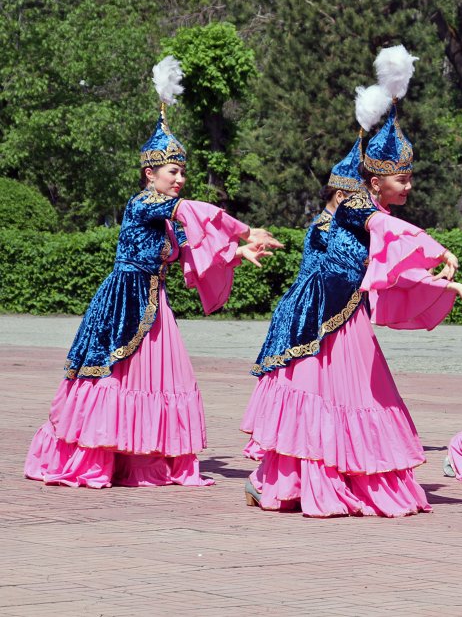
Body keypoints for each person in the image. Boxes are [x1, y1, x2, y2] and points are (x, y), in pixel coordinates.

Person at [241, 47, 462, 517]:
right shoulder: (356, 207)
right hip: (323, 318)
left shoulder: (369, 211)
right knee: (325, 399)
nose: (409, 187)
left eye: (410, 178)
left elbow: (392, 267)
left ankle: (327, 478)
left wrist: (445, 283)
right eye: (402, 179)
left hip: (346, 314)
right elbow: (386, 234)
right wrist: (439, 249)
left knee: (349, 399)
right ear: (376, 182)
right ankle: (294, 481)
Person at [24, 56, 280, 488]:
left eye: (182, 172)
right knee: (115, 377)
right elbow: (193, 213)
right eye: (173, 171)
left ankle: (144, 460)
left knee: (161, 379)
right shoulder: (144, 204)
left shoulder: (161, 219)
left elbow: (187, 254)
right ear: (150, 173)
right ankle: (96, 457)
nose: (180, 179)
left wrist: (237, 251)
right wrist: (244, 227)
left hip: (153, 303)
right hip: (125, 301)